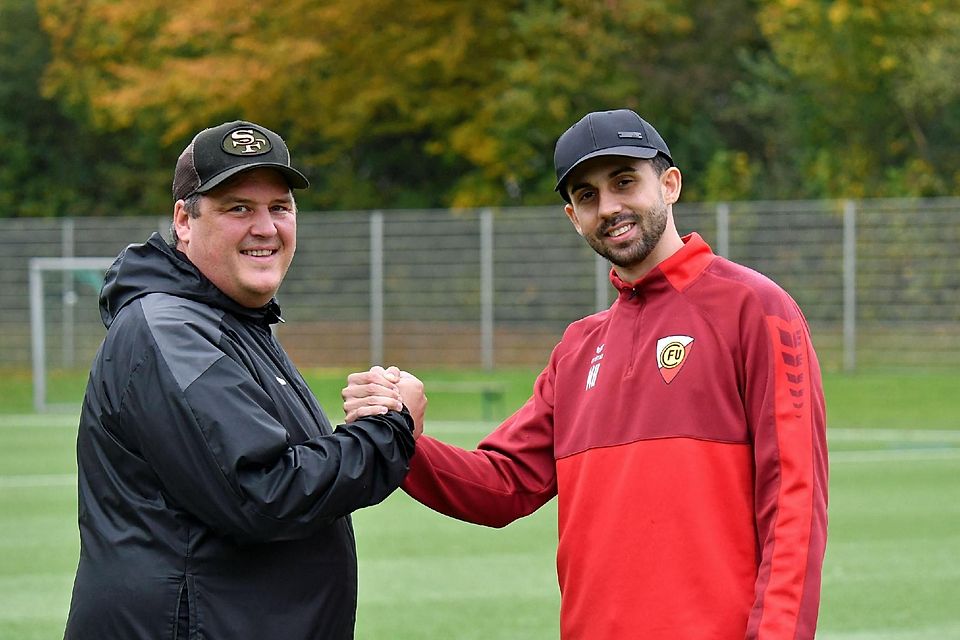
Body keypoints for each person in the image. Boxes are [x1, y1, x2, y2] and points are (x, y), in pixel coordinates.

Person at [344, 109, 828, 639]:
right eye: (588, 195)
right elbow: (503, 485)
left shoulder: (754, 307)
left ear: (669, 184)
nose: (610, 207)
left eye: (625, 182)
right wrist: (401, 436)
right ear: (574, 217)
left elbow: (793, 500)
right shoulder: (578, 348)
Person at [63, 120, 424, 640]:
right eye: (238, 208)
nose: (265, 227)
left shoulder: (228, 320)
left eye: (279, 207)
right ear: (184, 220)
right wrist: (389, 428)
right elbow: (264, 491)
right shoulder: (169, 328)